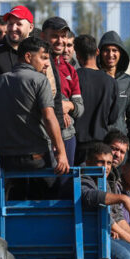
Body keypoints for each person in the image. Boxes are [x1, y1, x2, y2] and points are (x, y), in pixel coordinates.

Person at [0, 36, 69, 196]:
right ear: (28, 56)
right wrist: (61, 153)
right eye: (43, 57)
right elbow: (49, 117)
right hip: (37, 158)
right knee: (50, 198)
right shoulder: (40, 80)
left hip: (5, 159)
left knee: (13, 200)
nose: (47, 63)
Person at [40, 17, 83, 169]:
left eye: (63, 36)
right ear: (43, 37)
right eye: (55, 36)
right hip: (41, 137)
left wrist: (69, 105)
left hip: (67, 136)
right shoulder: (36, 64)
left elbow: (80, 107)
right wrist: (58, 108)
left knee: (65, 185)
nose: (60, 40)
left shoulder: (70, 69)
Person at [73, 34, 119, 164]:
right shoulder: (111, 82)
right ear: (97, 51)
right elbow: (113, 117)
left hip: (77, 146)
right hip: (100, 146)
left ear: (77, 55)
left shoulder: (74, 78)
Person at [98, 31, 130, 153]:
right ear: (99, 53)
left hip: (120, 147)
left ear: (121, 53)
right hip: (97, 145)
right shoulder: (94, 79)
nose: (110, 54)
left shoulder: (128, 83)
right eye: (106, 50)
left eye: (114, 50)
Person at [0, 5, 35, 83]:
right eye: (10, 24)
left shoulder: (40, 51)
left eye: (19, 24)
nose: (13, 28)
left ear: (30, 27)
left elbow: (51, 88)